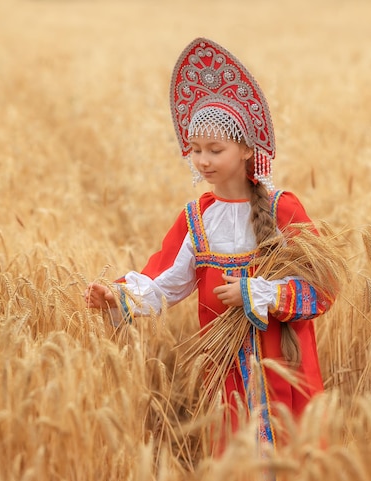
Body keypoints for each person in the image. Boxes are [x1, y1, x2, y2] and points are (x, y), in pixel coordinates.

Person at [85, 38, 333, 459]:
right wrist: (119, 297)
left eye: (215, 150)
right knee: (236, 457)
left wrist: (256, 294)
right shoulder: (196, 218)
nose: (202, 160)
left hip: (283, 365)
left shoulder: (281, 208)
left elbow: (322, 288)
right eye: (195, 150)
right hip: (225, 370)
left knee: (292, 459)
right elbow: (166, 284)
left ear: (247, 150)